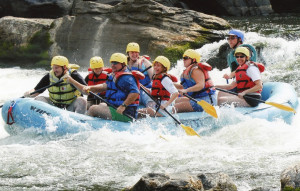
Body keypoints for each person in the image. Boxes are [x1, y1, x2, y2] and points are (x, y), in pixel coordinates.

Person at [65, 53, 144, 121]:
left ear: (123, 64)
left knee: (93, 109)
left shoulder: (126, 78)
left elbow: (135, 92)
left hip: (126, 113)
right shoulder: (115, 74)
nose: (113, 65)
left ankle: (84, 125)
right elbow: (105, 85)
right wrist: (91, 88)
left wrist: (123, 106)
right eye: (112, 63)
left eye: (115, 63)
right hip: (116, 108)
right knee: (101, 105)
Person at [126, 42, 154, 107]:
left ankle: (151, 111)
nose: (134, 54)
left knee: (151, 103)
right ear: (128, 53)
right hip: (132, 91)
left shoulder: (145, 62)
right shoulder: (124, 63)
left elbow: (153, 78)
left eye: (136, 52)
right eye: (132, 52)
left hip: (144, 90)